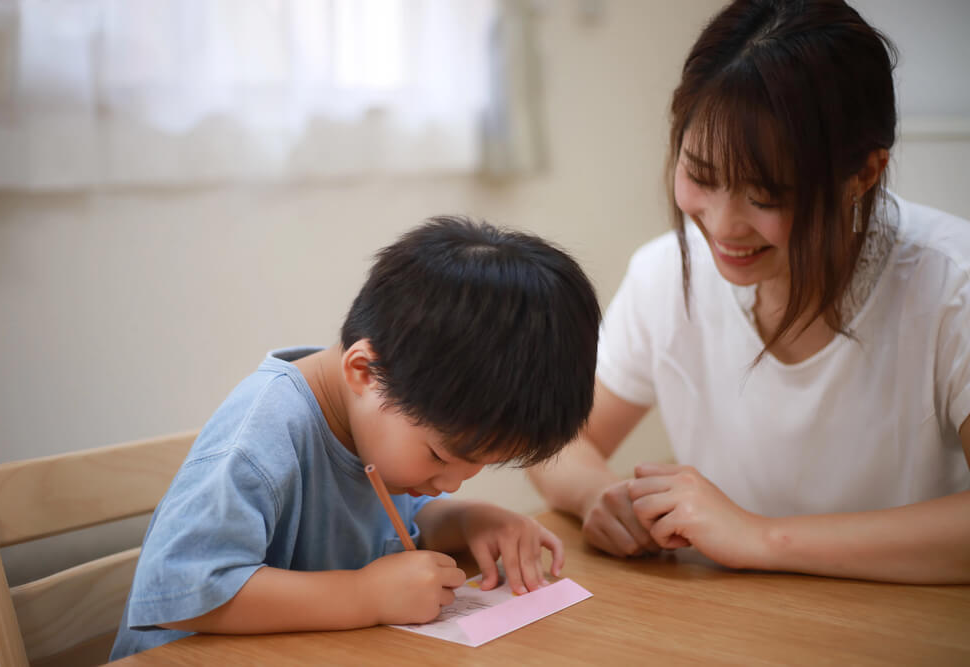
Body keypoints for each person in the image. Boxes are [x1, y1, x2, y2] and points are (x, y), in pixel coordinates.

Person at [529, 0, 970, 584]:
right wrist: (599, 496)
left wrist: (759, 537)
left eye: (765, 196)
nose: (723, 225)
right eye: (701, 177)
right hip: (726, 621)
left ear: (863, 173)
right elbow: (559, 443)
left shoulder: (950, 285)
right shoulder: (665, 275)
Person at [111, 216, 601, 659]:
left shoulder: (372, 430)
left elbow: (393, 524)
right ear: (365, 372)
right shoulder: (263, 433)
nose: (451, 484)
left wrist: (468, 520)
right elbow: (181, 592)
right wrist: (364, 595)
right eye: (440, 456)